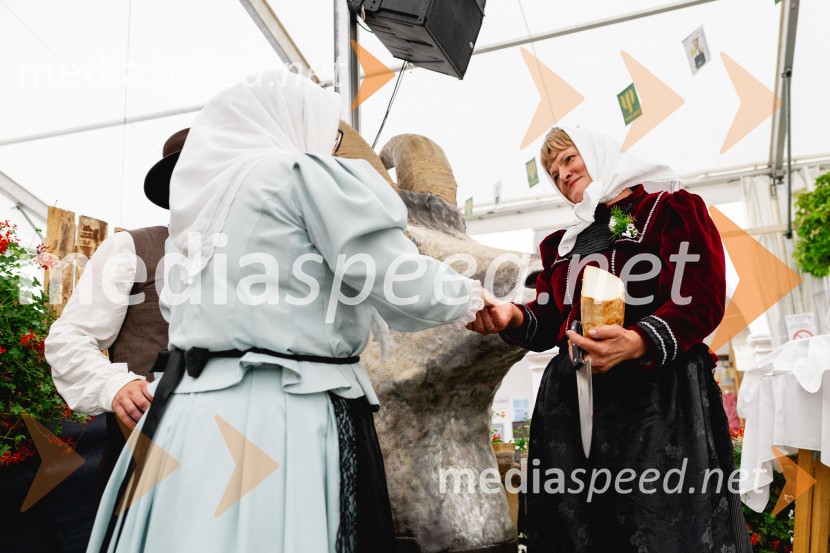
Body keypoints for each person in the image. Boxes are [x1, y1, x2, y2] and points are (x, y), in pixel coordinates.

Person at [85, 70, 487, 553]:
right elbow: (394, 278)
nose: (331, 146)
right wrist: (473, 298)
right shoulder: (300, 174)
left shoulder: (196, 222)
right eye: (332, 133)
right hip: (283, 409)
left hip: (188, 415)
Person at [467, 126, 750, 552]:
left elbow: (701, 298)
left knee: (659, 527)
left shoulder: (671, 208)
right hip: (574, 406)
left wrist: (637, 340)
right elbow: (548, 321)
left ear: (598, 154)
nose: (561, 174)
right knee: (582, 532)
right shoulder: (562, 245)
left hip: (657, 401)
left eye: (567, 159)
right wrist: (511, 315)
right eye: (551, 171)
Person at [45, 128, 189, 493]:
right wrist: (117, 385)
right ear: (176, 186)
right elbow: (70, 338)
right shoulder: (133, 248)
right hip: (150, 450)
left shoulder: (256, 259)